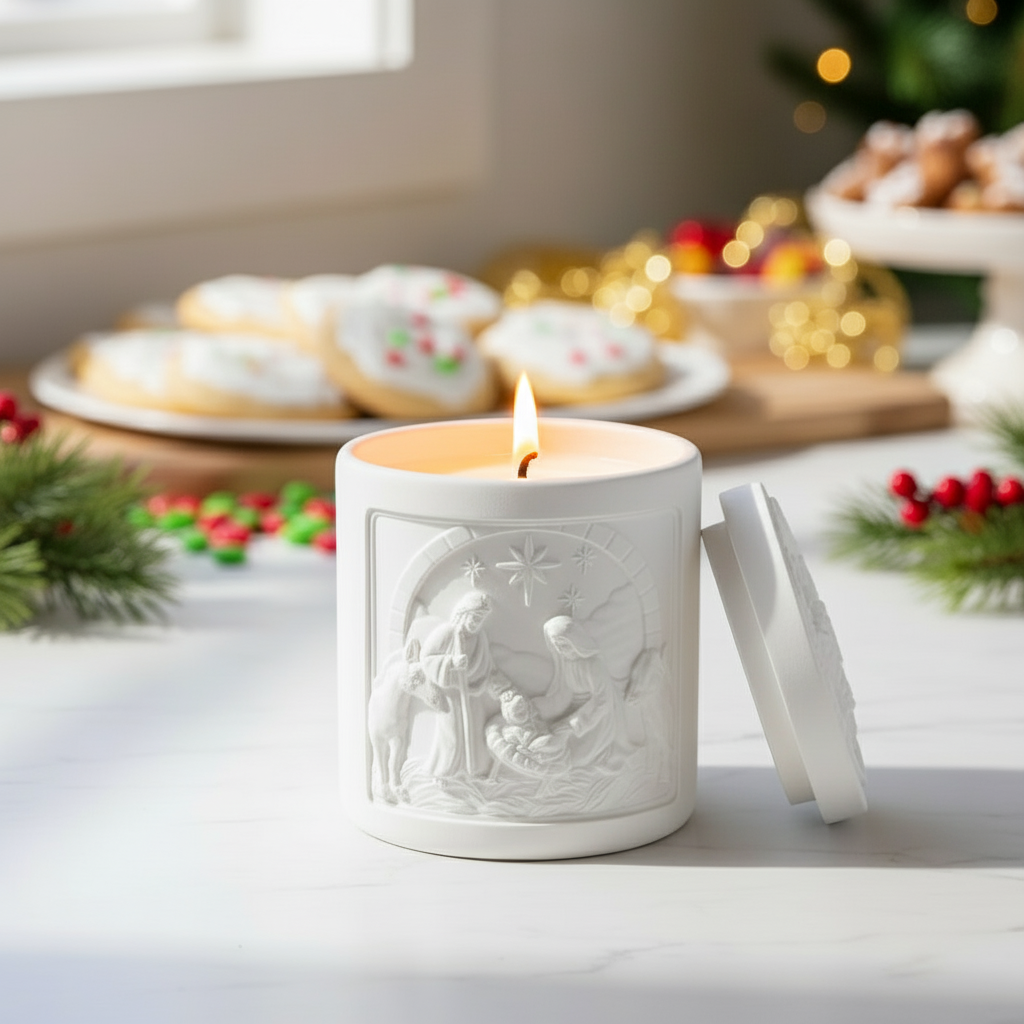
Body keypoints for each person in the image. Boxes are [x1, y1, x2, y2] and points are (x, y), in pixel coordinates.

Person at [419, 590, 498, 779]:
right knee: (452, 734)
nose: (476, 623)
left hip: (472, 695)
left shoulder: (480, 638)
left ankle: (474, 771)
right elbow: (426, 658)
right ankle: (444, 772)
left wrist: (487, 683)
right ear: (464, 614)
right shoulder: (447, 633)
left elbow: (487, 666)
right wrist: (450, 663)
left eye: (481, 619)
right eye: (474, 618)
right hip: (452, 696)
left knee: (474, 733)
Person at [540, 615, 633, 769]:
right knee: (549, 742)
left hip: (596, 717)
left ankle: (605, 753)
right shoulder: (566, 662)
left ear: (576, 641)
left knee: (574, 759)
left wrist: (572, 725)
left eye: (565, 644)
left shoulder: (594, 664)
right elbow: (562, 694)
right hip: (573, 712)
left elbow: (602, 702)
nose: (561, 650)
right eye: (557, 645)